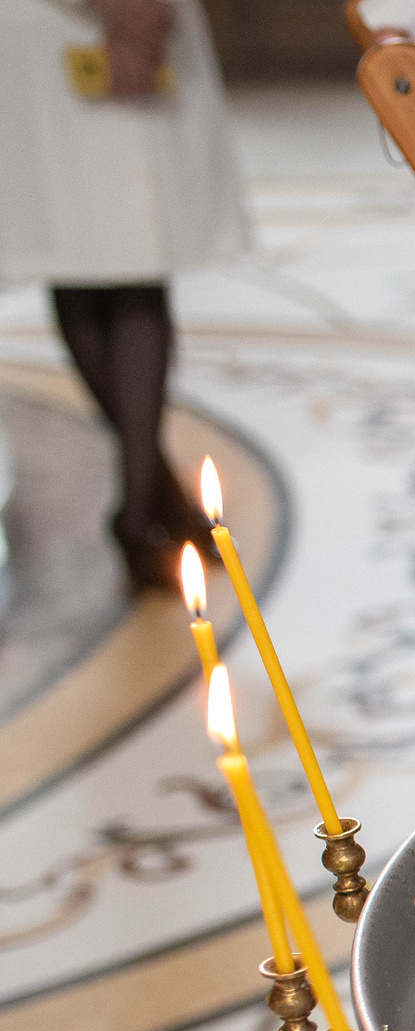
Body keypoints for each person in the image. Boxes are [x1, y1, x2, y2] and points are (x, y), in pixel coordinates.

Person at [0, 0, 247, 592]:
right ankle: (143, 505)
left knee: (86, 260)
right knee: (132, 258)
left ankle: (151, 491)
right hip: (83, 22)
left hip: (35, 24)